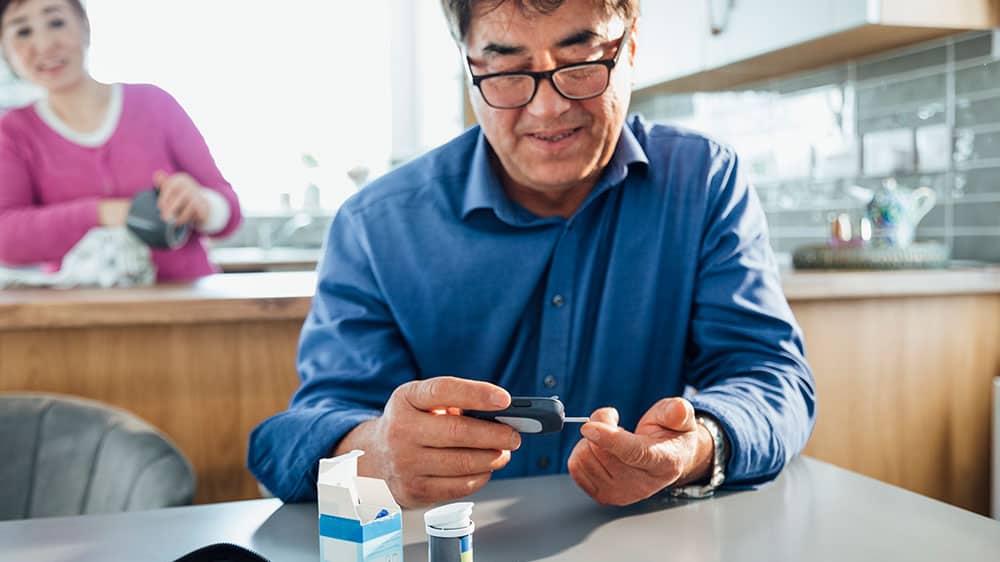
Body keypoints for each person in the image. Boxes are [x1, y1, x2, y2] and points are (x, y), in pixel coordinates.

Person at [249, 0, 816, 507]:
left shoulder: (704, 182)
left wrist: (697, 447)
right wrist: (375, 451)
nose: (547, 109)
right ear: (469, 67)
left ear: (632, 48)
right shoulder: (376, 226)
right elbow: (289, 438)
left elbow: (769, 376)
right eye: (507, 70)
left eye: (582, 61)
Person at [0, 0, 241, 281]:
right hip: (79, 315)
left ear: (85, 27)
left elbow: (229, 211)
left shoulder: (154, 104)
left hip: (187, 304)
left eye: (56, 22)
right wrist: (107, 213)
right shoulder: (13, 132)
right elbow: (6, 237)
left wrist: (202, 204)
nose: (44, 45)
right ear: (5, 49)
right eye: (23, 31)